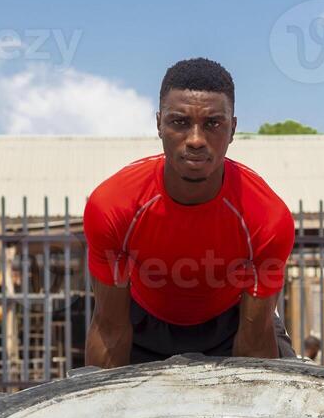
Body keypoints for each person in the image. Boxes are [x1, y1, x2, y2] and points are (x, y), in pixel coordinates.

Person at [84, 58, 297, 366]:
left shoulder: (267, 219)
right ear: (159, 124)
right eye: (179, 122)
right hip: (142, 327)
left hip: (231, 325)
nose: (196, 140)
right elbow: (110, 328)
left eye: (212, 124)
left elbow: (254, 342)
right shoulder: (113, 206)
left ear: (233, 128)